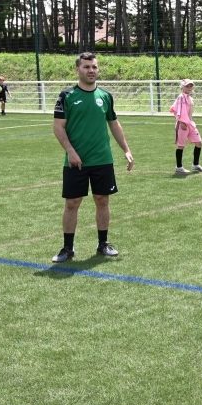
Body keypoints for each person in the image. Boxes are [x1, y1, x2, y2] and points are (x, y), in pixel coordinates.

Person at [51, 52, 135, 263]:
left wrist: (126, 149)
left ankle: (103, 244)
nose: (91, 71)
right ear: (77, 69)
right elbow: (58, 127)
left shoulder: (105, 96)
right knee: (72, 203)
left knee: (102, 200)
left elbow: (114, 124)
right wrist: (70, 151)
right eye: (86, 67)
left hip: (102, 160)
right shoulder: (66, 96)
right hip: (75, 161)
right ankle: (67, 248)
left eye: (94, 67)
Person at [170, 79, 202, 174]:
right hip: (182, 124)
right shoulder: (181, 97)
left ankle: (195, 165)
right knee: (181, 146)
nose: (189, 88)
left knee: (199, 142)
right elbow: (175, 110)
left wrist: (190, 122)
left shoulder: (190, 98)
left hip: (190, 124)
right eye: (187, 86)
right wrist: (181, 122)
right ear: (182, 87)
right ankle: (179, 167)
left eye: (191, 86)